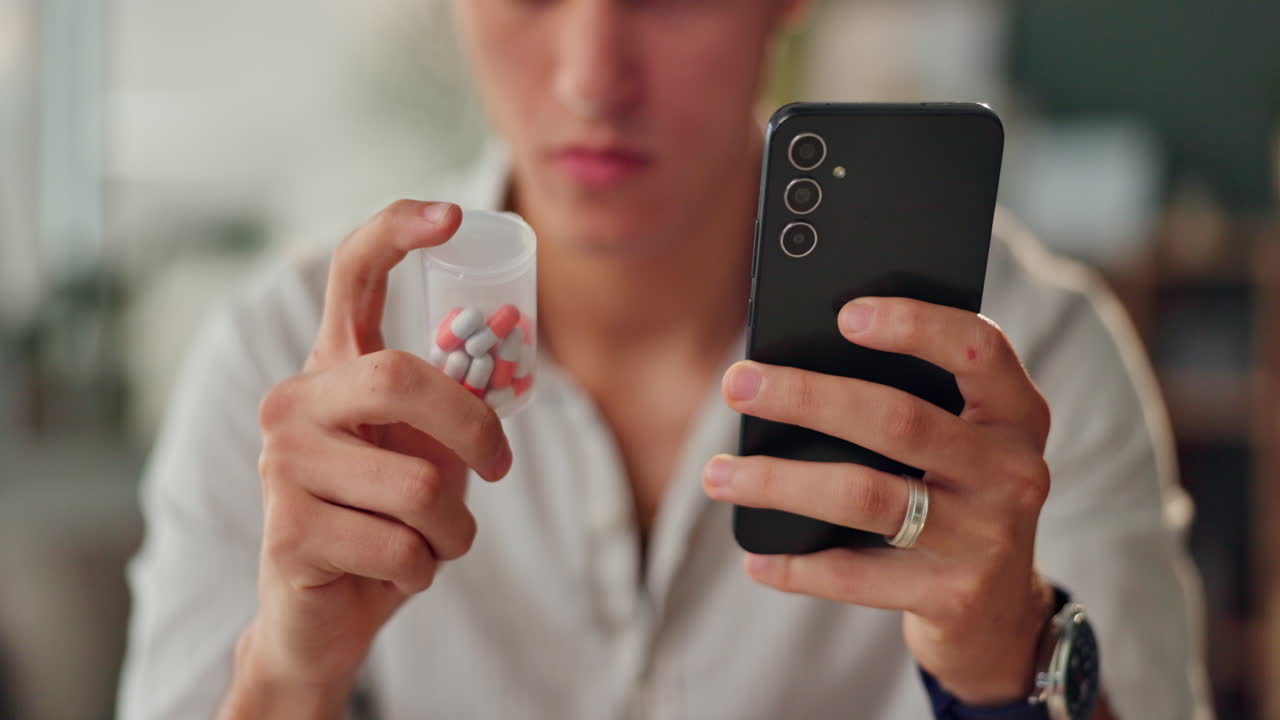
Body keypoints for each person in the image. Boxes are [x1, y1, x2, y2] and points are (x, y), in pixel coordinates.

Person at [117, 1, 1213, 718]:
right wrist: (288, 676)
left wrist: (1002, 667)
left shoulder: (1022, 367)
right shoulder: (285, 369)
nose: (594, 75)